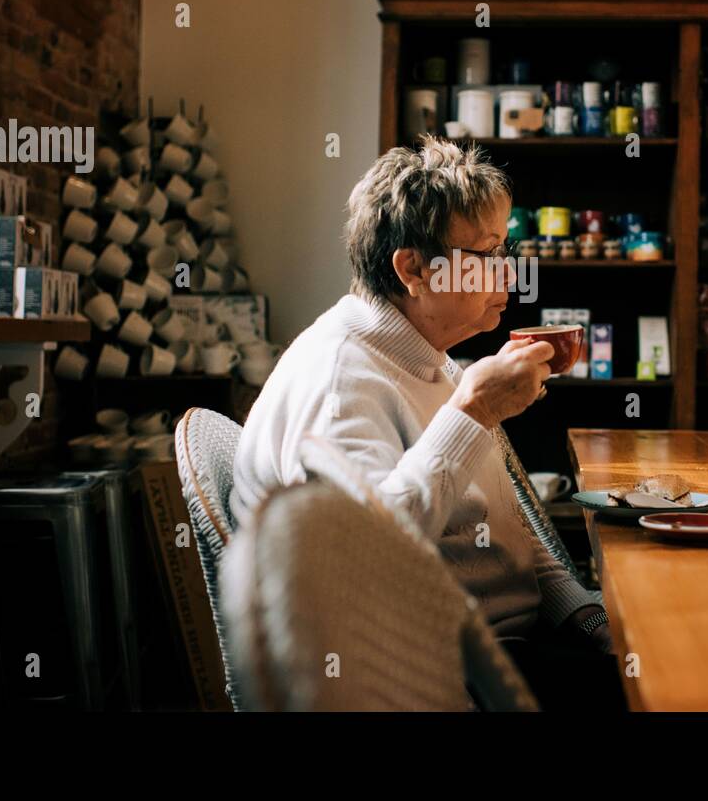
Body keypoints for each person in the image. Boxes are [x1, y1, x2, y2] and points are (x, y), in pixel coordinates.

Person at [232, 136, 626, 710]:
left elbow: (507, 531)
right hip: (455, 676)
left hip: (520, 642)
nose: (507, 274)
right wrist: (475, 412)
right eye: (487, 255)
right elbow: (364, 556)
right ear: (414, 269)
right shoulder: (343, 379)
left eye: (504, 250)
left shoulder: (429, 355)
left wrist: (584, 613)